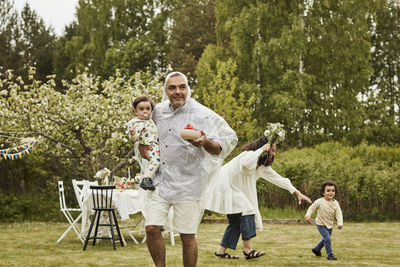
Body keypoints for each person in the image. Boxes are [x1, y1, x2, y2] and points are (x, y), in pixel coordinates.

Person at [139, 71, 237, 267]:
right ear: (165, 91)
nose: (177, 92)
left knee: (187, 236)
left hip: (189, 185)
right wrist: (141, 147)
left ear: (188, 89)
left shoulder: (201, 114)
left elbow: (220, 147)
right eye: (172, 87)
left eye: (182, 87)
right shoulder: (157, 111)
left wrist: (204, 141)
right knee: (151, 228)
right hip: (160, 182)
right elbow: (143, 133)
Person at [203, 136, 312, 260]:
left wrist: (296, 192)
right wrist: (261, 150)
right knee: (247, 209)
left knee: (235, 222)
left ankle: (221, 253)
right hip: (224, 186)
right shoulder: (247, 155)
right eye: (272, 150)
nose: (274, 153)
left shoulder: (262, 167)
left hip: (233, 190)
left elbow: (279, 179)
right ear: (265, 148)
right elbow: (245, 164)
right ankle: (248, 250)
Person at [126, 96, 159, 190]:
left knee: (156, 161)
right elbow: (135, 137)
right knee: (156, 161)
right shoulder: (137, 123)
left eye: (148, 109)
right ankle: (146, 179)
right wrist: (133, 133)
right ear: (135, 112)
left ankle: (148, 179)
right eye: (141, 109)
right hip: (148, 146)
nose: (145, 111)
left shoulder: (150, 121)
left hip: (155, 145)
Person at [305, 181, 343, 260]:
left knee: (325, 239)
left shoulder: (335, 203)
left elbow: (339, 214)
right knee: (327, 239)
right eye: (328, 191)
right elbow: (311, 208)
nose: (331, 193)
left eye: (333, 191)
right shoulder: (319, 201)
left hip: (330, 224)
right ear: (323, 192)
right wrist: (308, 215)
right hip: (320, 223)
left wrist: (340, 223)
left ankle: (316, 249)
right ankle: (330, 255)